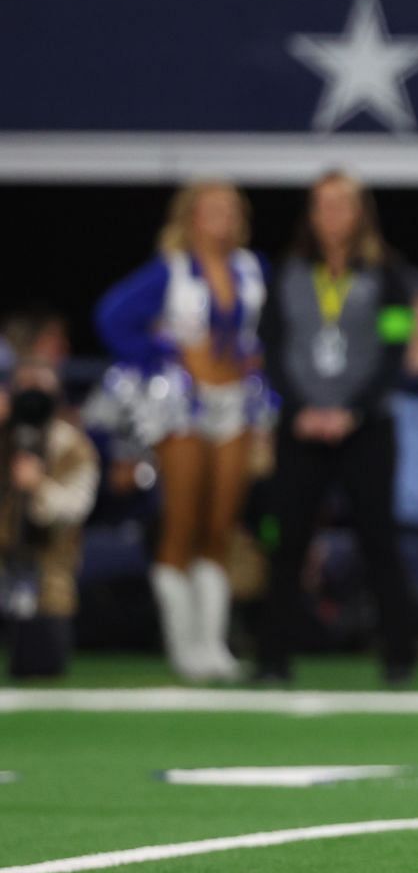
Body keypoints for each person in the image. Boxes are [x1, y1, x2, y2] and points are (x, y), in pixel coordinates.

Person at [255, 171, 418, 685]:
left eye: (342, 205)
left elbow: (395, 352)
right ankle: (272, 658)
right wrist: (299, 408)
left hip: (366, 427)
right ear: (311, 214)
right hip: (301, 427)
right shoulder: (287, 273)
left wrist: (352, 410)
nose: (332, 215)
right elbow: (270, 347)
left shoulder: (387, 276)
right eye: (322, 205)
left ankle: (400, 656)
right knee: (286, 540)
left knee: (378, 539)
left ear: (361, 214)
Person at [96, 180, 269, 682]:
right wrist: (165, 355)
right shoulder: (169, 271)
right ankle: (183, 647)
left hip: (236, 402)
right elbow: (112, 316)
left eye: (230, 210)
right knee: (182, 521)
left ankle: (213, 643)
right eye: (211, 209)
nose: (221, 219)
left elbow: (272, 329)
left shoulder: (253, 270)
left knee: (222, 525)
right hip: (182, 405)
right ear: (190, 217)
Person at [0, 359, 100, 679]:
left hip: (46, 572)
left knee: (40, 664)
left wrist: (38, 486)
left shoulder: (72, 445)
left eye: (41, 385)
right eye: (25, 384)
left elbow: (76, 505)